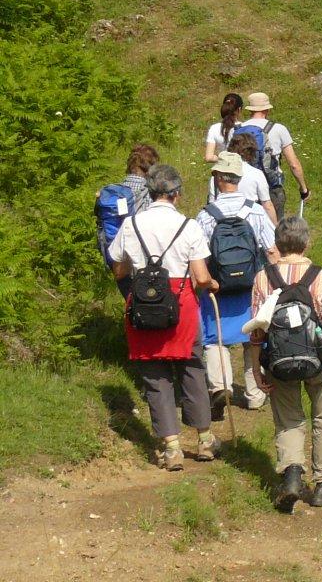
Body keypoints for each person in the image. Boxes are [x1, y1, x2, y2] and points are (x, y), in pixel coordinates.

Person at [108, 164, 218, 470]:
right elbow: (200, 276)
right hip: (180, 304)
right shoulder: (189, 226)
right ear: (177, 194)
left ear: (151, 192)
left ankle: (171, 447)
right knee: (192, 367)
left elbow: (118, 268)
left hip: (143, 304)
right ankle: (205, 439)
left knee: (154, 373)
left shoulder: (131, 225)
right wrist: (212, 284)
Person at [250, 216, 322, 512]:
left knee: (289, 419)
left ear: (277, 245)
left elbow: (257, 330)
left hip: (279, 361)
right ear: (307, 243)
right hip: (318, 360)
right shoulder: (320, 277)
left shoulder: (262, 278)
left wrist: (257, 369)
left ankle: (292, 475)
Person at [198, 153, 276, 416]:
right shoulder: (254, 210)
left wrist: (207, 282)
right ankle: (255, 394)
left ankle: (221, 386)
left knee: (215, 339)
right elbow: (272, 250)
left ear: (218, 179)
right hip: (251, 286)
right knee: (253, 337)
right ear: (239, 178)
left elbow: (199, 256)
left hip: (218, 289)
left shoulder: (206, 216)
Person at [97, 144, 160, 297]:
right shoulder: (148, 194)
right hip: (143, 262)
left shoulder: (113, 192)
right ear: (150, 168)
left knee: (131, 304)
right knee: (149, 307)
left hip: (117, 260)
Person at [241, 93, 309, 220]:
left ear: (250, 110)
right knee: (274, 232)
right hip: (271, 187)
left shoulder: (239, 129)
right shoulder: (278, 129)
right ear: (267, 109)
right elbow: (293, 164)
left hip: (245, 188)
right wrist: (303, 188)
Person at [215, 132, 278, 224]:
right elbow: (267, 205)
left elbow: (212, 201)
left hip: (221, 221)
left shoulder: (218, 174)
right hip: (249, 220)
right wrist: (275, 229)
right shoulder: (257, 174)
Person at [203, 94, 245, 163]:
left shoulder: (214, 128)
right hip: (240, 168)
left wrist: (222, 159)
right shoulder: (244, 127)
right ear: (239, 109)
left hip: (221, 170)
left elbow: (209, 157)